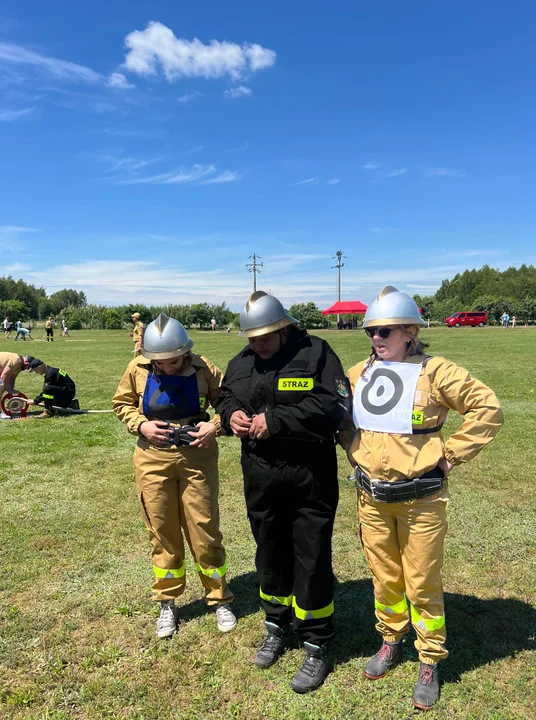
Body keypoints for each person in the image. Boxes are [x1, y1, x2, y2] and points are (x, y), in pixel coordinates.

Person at [340, 286, 503, 710]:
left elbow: (487, 408)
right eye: (372, 331)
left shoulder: (437, 372)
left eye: (387, 331)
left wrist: (449, 455)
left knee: (422, 582)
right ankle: (390, 640)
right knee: (385, 578)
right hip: (371, 499)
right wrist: (354, 451)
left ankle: (429, 658)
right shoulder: (359, 373)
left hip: (421, 502)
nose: (377, 338)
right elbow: (336, 416)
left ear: (410, 331)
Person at [217, 291, 350, 693]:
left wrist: (276, 420)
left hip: (310, 475)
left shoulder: (317, 353)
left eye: (265, 338)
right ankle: (276, 624)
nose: (257, 346)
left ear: (283, 327)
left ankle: (316, 641)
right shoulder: (241, 362)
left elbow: (334, 406)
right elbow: (224, 396)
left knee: (310, 556)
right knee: (269, 550)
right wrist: (230, 416)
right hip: (260, 476)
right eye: (251, 339)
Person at [112, 313, 236, 639]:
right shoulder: (136, 368)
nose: (167, 367)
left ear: (186, 351)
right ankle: (168, 601)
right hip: (152, 458)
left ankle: (219, 597)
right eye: (161, 362)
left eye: (174, 360)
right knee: (162, 530)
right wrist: (141, 425)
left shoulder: (204, 368)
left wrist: (216, 426)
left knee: (204, 529)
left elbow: (228, 404)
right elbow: (122, 403)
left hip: (197, 457)